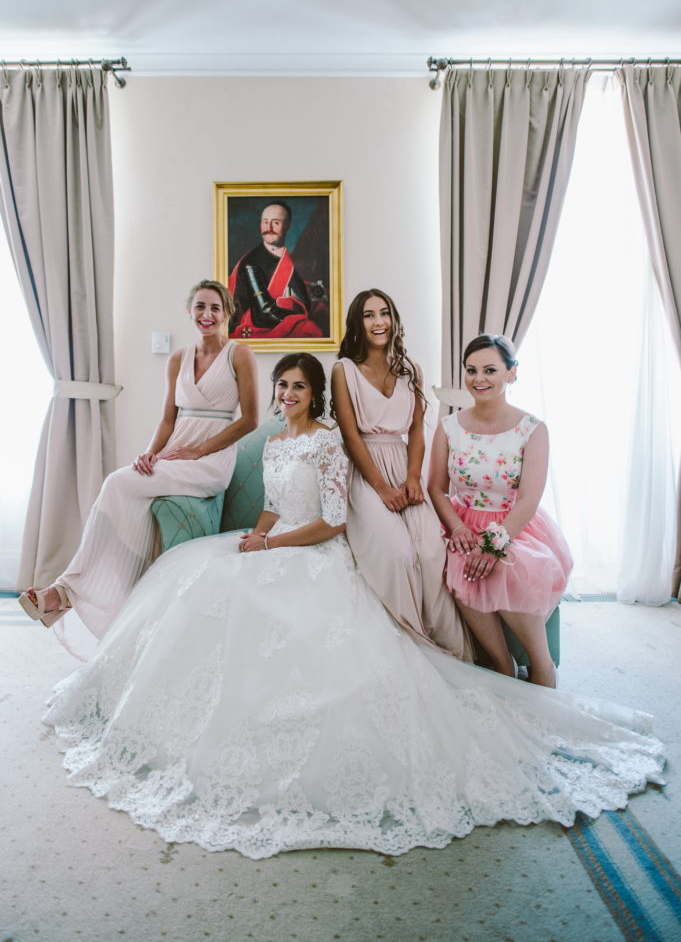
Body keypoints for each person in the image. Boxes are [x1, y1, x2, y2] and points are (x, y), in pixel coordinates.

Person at [43, 353, 664, 859]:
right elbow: (273, 507)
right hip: (275, 541)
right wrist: (255, 536)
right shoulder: (277, 445)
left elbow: (334, 521)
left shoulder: (327, 444)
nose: (288, 394)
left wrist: (273, 544)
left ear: (315, 395)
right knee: (197, 579)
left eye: (298, 386)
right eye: (282, 385)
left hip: (315, 551)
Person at [18, 279, 258, 659]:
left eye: (215, 307)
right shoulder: (177, 359)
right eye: (200, 306)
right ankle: (97, 597)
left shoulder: (238, 355)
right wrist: (148, 455)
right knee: (126, 491)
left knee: (116, 484)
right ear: (189, 312)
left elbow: (250, 420)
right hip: (176, 452)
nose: (207, 314)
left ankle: (63, 592)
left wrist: (199, 451)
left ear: (226, 313)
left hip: (211, 462)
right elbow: (167, 420)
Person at [331, 289, 471, 659]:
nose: (378, 322)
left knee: (430, 550)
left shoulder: (412, 370)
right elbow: (350, 435)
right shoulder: (343, 371)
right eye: (369, 315)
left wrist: (412, 479)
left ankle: (448, 648)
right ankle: (413, 646)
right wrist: (381, 487)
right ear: (358, 323)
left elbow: (417, 430)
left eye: (384, 313)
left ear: (393, 320)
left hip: (405, 466)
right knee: (396, 553)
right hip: (366, 471)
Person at [427, 333, 572, 688]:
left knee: (512, 565)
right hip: (463, 520)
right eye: (471, 370)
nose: (479, 379)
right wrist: (458, 528)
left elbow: (528, 500)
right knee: (459, 563)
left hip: (514, 524)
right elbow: (436, 488)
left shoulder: (533, 429)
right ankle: (503, 666)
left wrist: (493, 546)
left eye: (490, 370)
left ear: (511, 373)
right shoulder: (449, 427)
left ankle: (542, 666)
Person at [228, 200, 325, 338]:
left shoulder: (284, 259)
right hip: (256, 328)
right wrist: (298, 319)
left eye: (276, 223)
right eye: (265, 222)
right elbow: (263, 314)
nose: (269, 227)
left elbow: (304, 301)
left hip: (278, 320)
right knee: (310, 330)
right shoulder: (251, 263)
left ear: (287, 226)